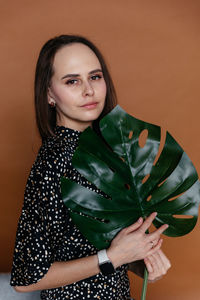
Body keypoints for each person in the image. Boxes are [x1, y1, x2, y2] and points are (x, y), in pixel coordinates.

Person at [10, 35, 171, 300]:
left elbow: (101, 247)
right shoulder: (54, 163)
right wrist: (112, 256)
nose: (88, 90)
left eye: (95, 77)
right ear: (49, 93)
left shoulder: (108, 152)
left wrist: (142, 262)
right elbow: (27, 278)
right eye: (72, 81)